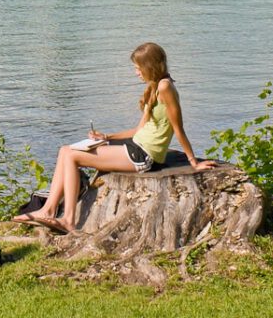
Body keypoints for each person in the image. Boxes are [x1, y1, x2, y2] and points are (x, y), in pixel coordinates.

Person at [14, 42, 215, 233]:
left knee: (73, 156)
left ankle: (68, 220)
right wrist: (106, 136)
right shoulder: (154, 87)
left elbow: (178, 128)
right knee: (65, 150)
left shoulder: (165, 87)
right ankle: (48, 210)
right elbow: (139, 129)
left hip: (144, 155)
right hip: (136, 145)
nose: (136, 72)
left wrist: (193, 162)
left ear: (150, 66)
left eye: (138, 68)